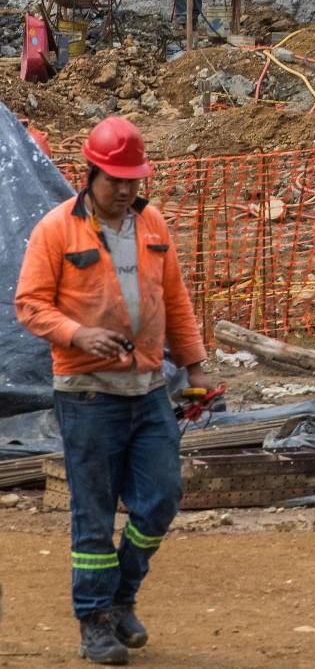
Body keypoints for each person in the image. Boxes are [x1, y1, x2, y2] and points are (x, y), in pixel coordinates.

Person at [15, 117, 210, 665]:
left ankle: (123, 595)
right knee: (95, 511)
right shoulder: (57, 229)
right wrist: (79, 334)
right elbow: (30, 304)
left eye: (132, 180)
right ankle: (95, 621)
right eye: (114, 180)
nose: (125, 190)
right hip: (87, 394)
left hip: (148, 388)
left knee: (162, 498)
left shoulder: (152, 225)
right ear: (90, 174)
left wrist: (195, 369)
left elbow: (174, 302)